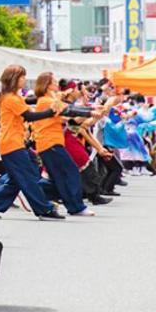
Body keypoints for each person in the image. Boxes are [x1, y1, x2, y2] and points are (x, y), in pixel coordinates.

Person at [0, 65, 64, 220]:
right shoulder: (11, 99)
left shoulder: (13, 97)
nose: (24, 80)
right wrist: (52, 112)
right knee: (28, 177)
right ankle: (43, 209)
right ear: (14, 79)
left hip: (13, 142)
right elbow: (29, 116)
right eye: (22, 77)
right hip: (12, 143)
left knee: (17, 179)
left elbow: (29, 105)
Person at [30, 72, 91, 217]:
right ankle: (76, 206)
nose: (57, 84)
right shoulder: (45, 101)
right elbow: (68, 111)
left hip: (50, 142)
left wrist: (90, 111)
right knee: (71, 172)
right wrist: (91, 112)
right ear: (47, 84)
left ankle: (71, 205)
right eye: (54, 81)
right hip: (50, 142)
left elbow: (68, 115)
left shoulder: (51, 99)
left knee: (59, 176)